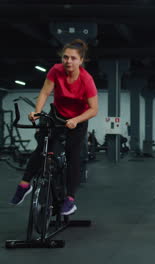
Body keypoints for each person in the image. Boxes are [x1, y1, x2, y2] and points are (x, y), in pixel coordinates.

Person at [10, 39, 98, 215]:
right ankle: (25, 184)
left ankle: (70, 199)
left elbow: (94, 110)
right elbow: (44, 92)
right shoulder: (55, 71)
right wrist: (37, 111)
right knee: (42, 148)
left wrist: (76, 120)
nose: (68, 61)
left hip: (78, 120)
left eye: (73, 58)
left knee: (73, 157)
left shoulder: (86, 80)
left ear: (81, 61)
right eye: (65, 57)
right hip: (57, 116)